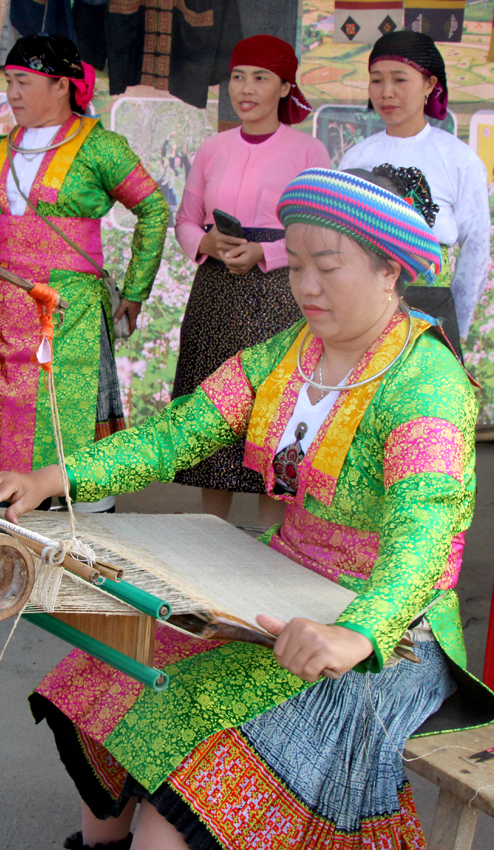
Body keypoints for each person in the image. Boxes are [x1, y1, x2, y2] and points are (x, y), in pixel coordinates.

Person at [0, 169, 494, 850]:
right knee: (117, 667)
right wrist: (56, 476)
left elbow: (424, 536)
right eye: (298, 263)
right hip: (279, 582)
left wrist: (358, 633)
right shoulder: (292, 354)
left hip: (389, 632)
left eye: (327, 266)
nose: (305, 286)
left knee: (191, 791)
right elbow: (179, 432)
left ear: (391, 267)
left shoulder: (427, 386)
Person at [0, 34, 169, 512]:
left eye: (23, 81)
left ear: (62, 86)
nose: (12, 93)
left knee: (61, 406)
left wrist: (134, 293)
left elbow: (154, 209)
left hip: (67, 311)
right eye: (9, 81)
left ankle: (71, 506)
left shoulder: (101, 147)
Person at [171, 34, 332, 525]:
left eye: (260, 78)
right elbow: (186, 220)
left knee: (275, 408)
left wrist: (268, 250)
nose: (246, 88)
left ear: (285, 87)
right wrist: (206, 244)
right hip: (216, 295)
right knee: (213, 406)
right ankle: (210, 533)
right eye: (238, 76)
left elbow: (322, 228)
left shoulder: (309, 152)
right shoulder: (212, 148)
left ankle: (269, 538)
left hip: (280, 296)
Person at [339, 30, 490, 342]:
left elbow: (476, 249)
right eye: (376, 80)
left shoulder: (459, 159)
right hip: (365, 311)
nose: (386, 92)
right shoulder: (356, 157)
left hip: (431, 310)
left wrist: (456, 323)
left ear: (430, 84)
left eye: (400, 79)